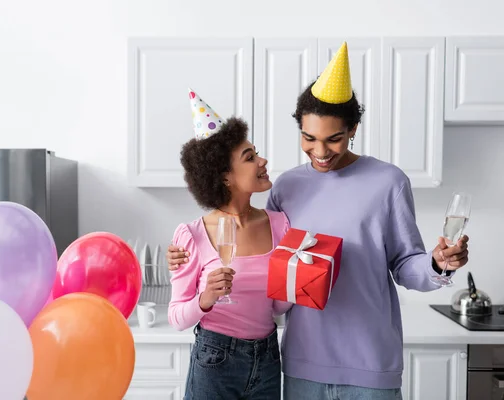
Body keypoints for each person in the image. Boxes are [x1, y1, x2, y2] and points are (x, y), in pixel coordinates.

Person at [168, 44, 470, 400]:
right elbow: (274, 273)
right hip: (300, 364)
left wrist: (438, 263)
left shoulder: (389, 182)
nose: (321, 152)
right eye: (309, 138)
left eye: (334, 139)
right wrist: (185, 256)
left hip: (370, 364)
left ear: (353, 129)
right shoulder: (287, 188)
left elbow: (406, 266)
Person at [167, 88, 292, 400]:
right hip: (215, 358)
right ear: (224, 177)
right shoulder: (191, 235)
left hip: (267, 358)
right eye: (249, 158)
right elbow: (176, 318)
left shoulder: (280, 224)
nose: (262, 161)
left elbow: (277, 308)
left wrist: (298, 281)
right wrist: (205, 298)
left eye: (256, 152)